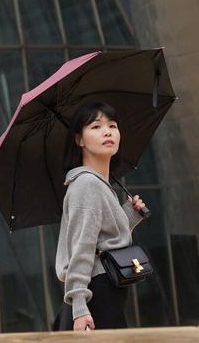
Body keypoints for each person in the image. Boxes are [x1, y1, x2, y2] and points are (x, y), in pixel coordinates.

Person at [54, 102, 148, 331]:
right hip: (95, 294)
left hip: (104, 291)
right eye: (96, 127)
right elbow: (82, 247)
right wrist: (79, 306)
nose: (108, 131)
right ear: (79, 140)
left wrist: (130, 215)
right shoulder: (86, 184)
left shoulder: (100, 185)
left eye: (112, 125)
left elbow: (104, 239)